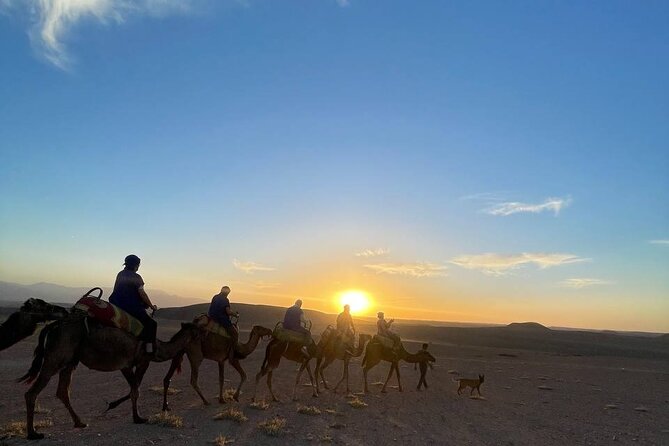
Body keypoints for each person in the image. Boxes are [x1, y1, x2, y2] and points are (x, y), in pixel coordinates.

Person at [109, 254, 158, 353]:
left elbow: (115, 289)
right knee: (152, 324)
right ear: (136, 265)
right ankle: (148, 349)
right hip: (131, 307)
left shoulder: (120, 274)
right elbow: (142, 294)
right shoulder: (136, 277)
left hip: (116, 305)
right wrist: (152, 306)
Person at [208, 286, 240, 354]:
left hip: (212, 318)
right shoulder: (225, 300)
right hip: (221, 319)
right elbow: (228, 312)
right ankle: (234, 352)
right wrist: (235, 315)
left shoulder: (215, 297)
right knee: (235, 333)